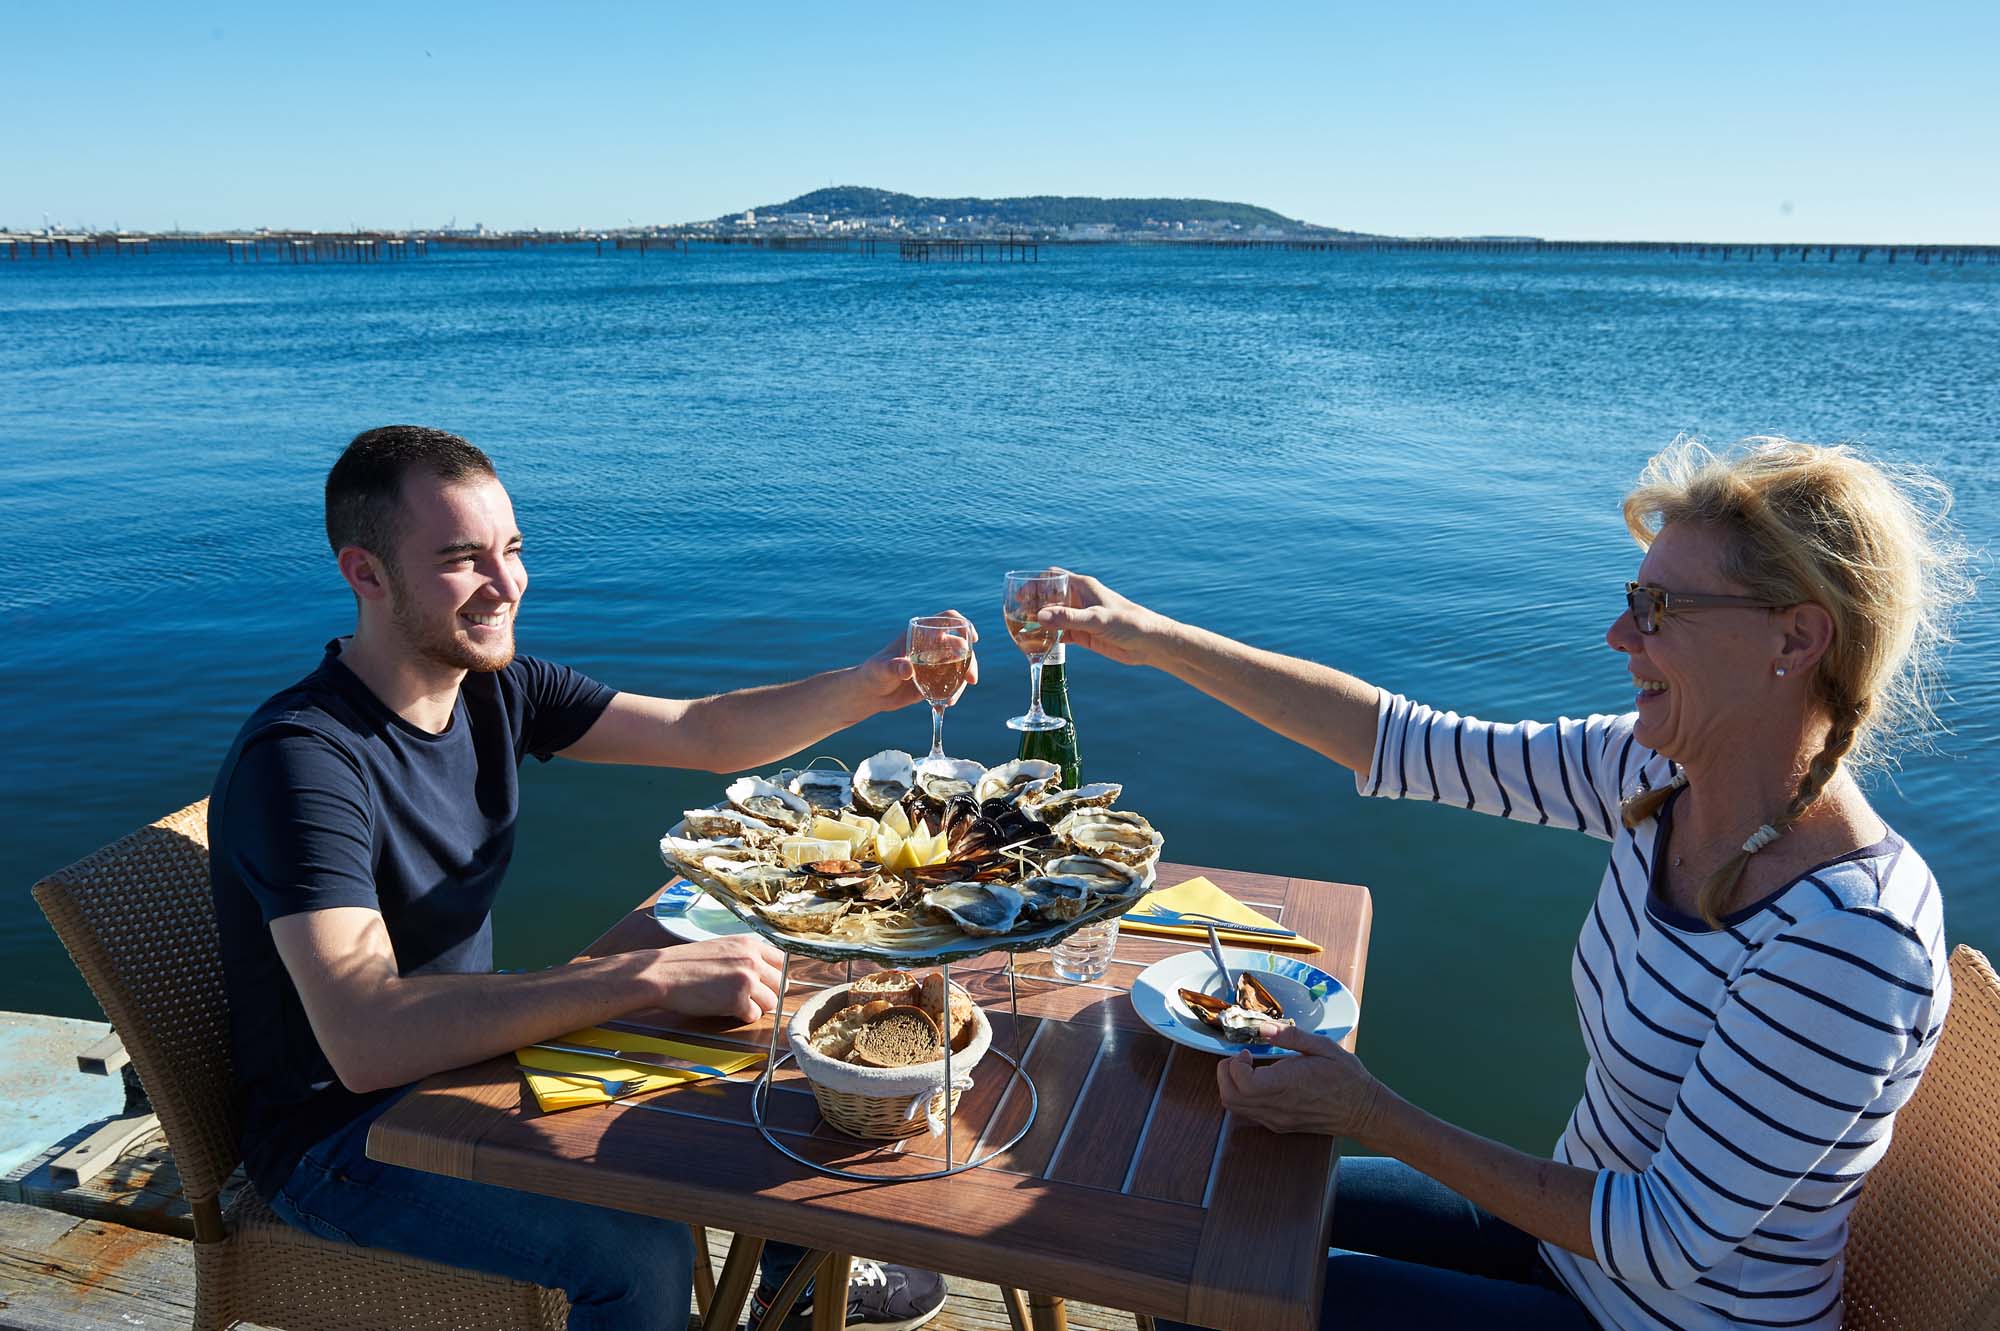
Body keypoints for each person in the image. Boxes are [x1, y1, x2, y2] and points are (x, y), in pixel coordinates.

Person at [1040, 438, 1968, 1331]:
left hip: (1646, 1310)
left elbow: (1664, 1233)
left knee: (1208, 1294)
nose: (1618, 635)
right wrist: (1151, 637)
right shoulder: (1656, 775)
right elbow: (1398, 741)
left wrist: (1375, 1113)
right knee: (1198, 1215)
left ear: (1797, 638)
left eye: (1657, 607)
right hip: (1564, 1251)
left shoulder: (1851, 940)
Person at [210, 425, 962, 1331]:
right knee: (636, 1250)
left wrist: (872, 683)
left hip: (466, 1064)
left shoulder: (496, 689)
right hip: (339, 1138)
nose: (507, 584)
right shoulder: (304, 762)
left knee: (771, 1012)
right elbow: (366, 1038)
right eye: (462, 560)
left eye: (512, 549)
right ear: (365, 573)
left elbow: (699, 731)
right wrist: (643, 976)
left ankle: (792, 1270)